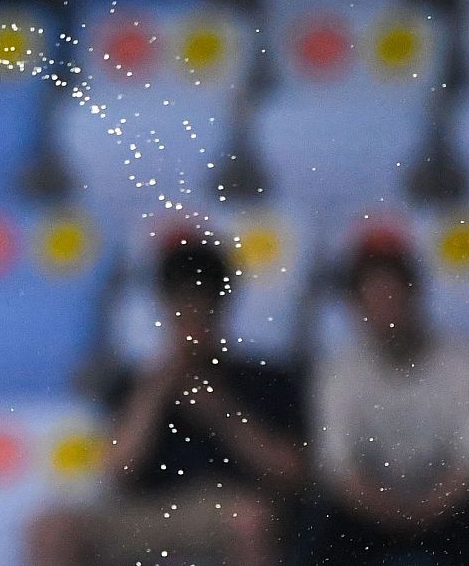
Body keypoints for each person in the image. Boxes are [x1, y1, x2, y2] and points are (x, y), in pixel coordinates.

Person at [23, 238, 306, 566]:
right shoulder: (135, 382)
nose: (191, 319)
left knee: (249, 521)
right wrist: (154, 394)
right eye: (181, 305)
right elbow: (118, 469)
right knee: (53, 528)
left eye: (202, 305)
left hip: (222, 505)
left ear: (221, 306)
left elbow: (291, 473)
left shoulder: (264, 379)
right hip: (144, 511)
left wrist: (222, 412)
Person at [310, 240, 469, 566]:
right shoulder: (339, 372)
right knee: (325, 539)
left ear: (416, 295)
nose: (385, 307)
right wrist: (392, 513)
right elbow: (338, 466)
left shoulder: (467, 362)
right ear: (355, 308)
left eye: (392, 295)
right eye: (372, 299)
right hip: (367, 511)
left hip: (452, 508)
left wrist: (425, 511)